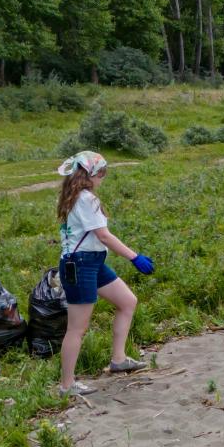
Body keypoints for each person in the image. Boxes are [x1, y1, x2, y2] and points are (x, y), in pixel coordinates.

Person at [55, 151, 154, 396]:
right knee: (77, 328)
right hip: (80, 264)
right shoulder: (86, 199)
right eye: (101, 175)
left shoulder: (74, 196)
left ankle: (118, 360)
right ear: (92, 174)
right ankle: (66, 385)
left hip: (93, 261)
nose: (102, 179)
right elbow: (104, 236)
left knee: (127, 301)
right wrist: (134, 257)